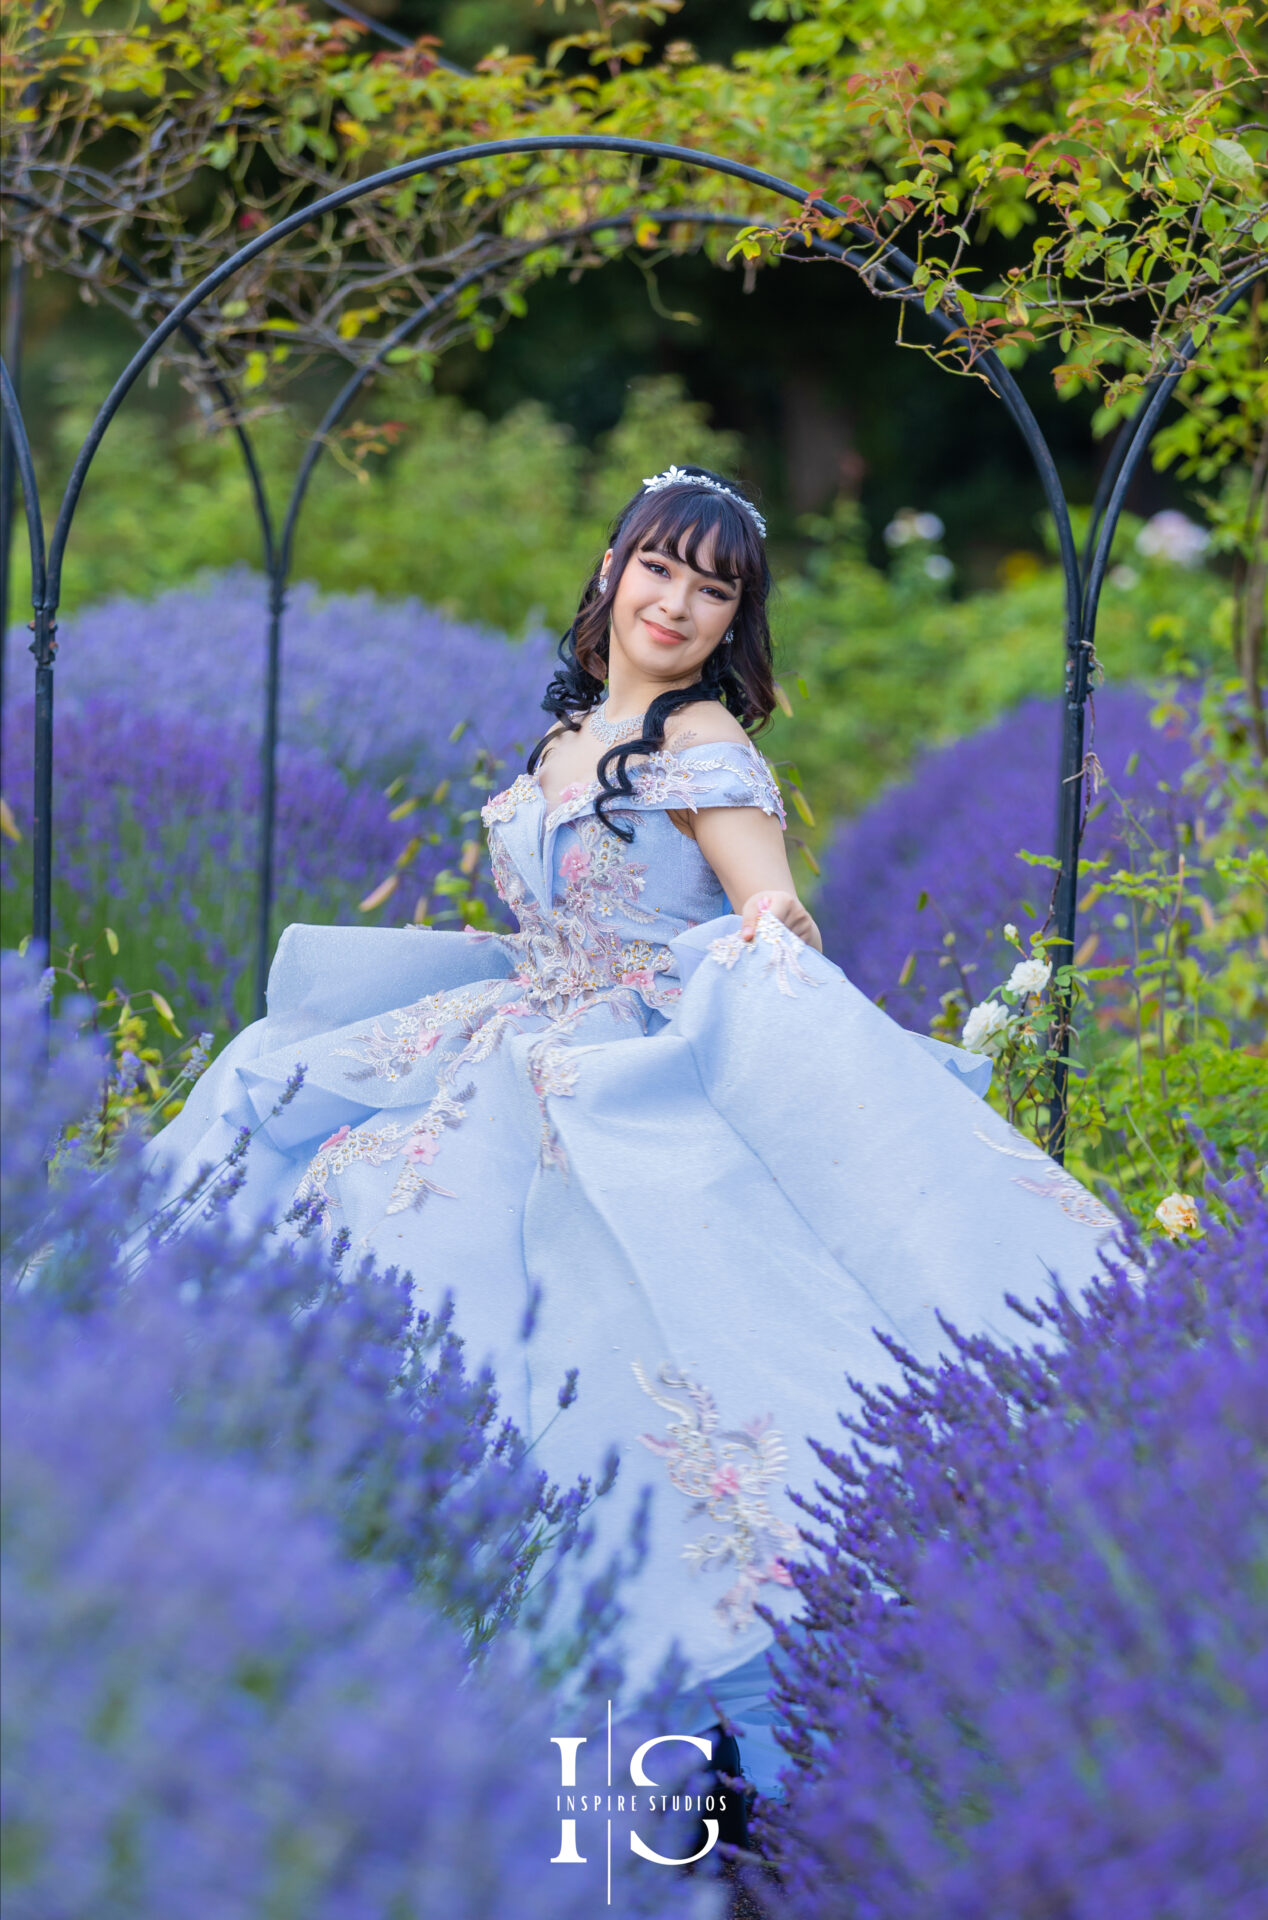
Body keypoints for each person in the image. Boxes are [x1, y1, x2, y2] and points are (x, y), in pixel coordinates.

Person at [144, 464, 1124, 1816]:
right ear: (611, 568)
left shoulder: (702, 738)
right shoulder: (565, 736)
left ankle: (647, 1758)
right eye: (662, 568)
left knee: (629, 1345)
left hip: (618, 1059)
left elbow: (768, 900)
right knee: (370, 1231)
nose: (680, 602)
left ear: (733, 623)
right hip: (509, 1038)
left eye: (714, 588)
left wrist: (770, 939)